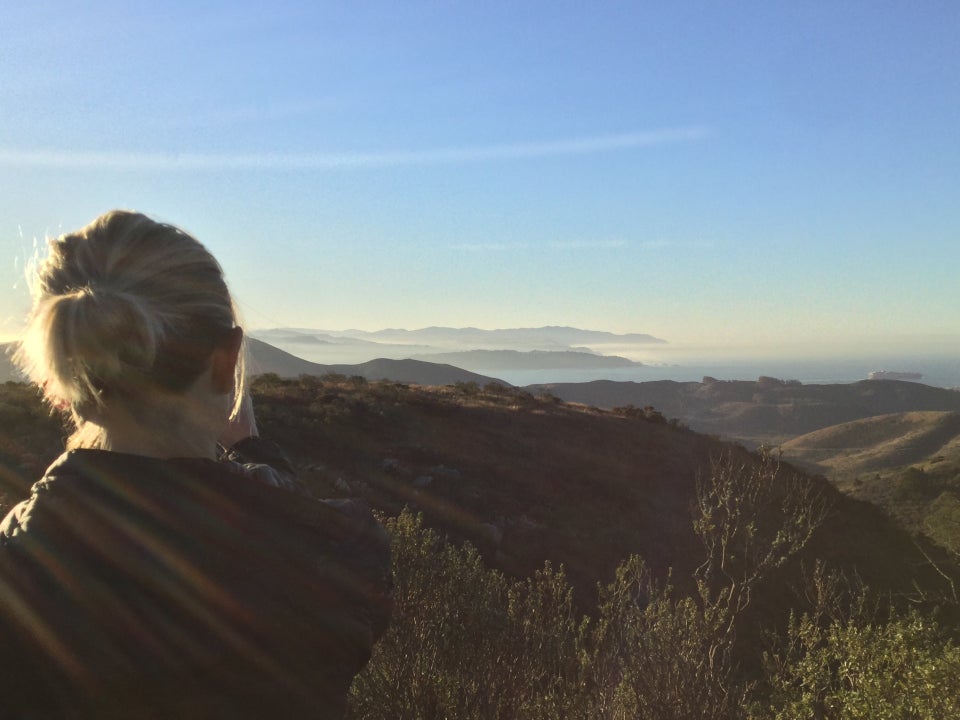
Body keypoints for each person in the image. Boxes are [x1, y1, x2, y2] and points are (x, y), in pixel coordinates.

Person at [0, 211, 392, 718]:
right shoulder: (343, 553)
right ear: (227, 359)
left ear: (59, 379)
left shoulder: (18, 570)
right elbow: (290, 537)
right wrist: (253, 453)